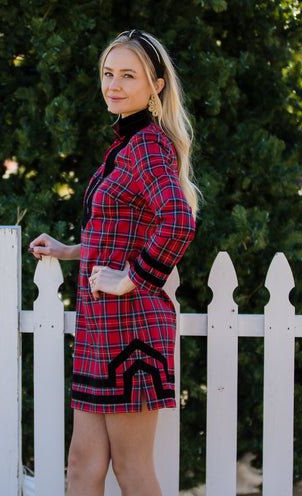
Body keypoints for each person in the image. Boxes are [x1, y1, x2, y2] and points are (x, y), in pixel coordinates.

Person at [29, 29, 199, 496]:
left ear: (156, 85)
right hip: (98, 326)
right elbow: (120, 234)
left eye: (129, 75)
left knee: (131, 468)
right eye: (108, 73)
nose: (114, 85)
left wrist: (133, 280)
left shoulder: (148, 144)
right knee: (82, 463)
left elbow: (179, 220)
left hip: (133, 330)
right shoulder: (124, 146)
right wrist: (68, 251)